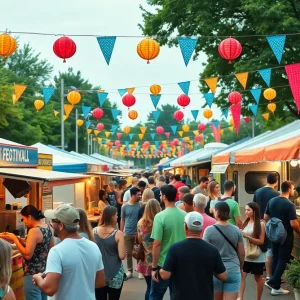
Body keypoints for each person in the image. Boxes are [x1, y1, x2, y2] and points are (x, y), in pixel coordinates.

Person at [33, 204, 105, 299]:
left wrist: (37, 278)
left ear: (61, 225)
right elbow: (100, 282)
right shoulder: (93, 246)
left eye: (52, 221)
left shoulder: (57, 251)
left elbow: (49, 289)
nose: (50, 224)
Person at [160, 212, 227, 300]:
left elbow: (165, 275)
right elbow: (223, 276)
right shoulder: (212, 249)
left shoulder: (175, 248)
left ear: (185, 227)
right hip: (205, 296)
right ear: (201, 228)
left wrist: (162, 269)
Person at [1, 205, 53, 300]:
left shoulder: (34, 231)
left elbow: (27, 255)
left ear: (29, 217)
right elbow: (46, 247)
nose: (24, 222)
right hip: (44, 273)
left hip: (32, 275)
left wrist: (14, 239)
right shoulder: (48, 227)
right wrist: (17, 238)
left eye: (23, 219)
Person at [150, 185, 187, 299]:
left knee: (155, 296)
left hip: (163, 263)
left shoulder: (160, 217)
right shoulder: (185, 215)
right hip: (181, 263)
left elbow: (157, 243)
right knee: (177, 296)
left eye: (161, 195)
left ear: (164, 197)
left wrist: (154, 267)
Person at [264, 181, 300, 296]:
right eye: (293, 188)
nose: (293, 190)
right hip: (286, 236)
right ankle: (274, 282)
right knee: (283, 260)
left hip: (274, 235)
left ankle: (276, 286)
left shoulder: (272, 201)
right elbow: (293, 224)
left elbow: (265, 217)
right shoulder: (290, 205)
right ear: (289, 189)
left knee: (275, 257)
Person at [203, 202, 245, 300]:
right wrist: (241, 267)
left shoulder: (209, 230)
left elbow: (205, 252)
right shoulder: (236, 230)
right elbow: (242, 253)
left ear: (216, 212)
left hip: (215, 271)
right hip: (233, 269)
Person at [94, 206, 126, 300]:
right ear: (112, 217)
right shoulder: (118, 234)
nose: (117, 217)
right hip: (115, 273)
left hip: (98, 272)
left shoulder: (93, 231)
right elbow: (122, 256)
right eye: (116, 215)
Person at [253, 172, 279, 279]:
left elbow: (253, 206)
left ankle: (261, 265)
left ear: (267, 180)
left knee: (260, 243)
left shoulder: (257, 191)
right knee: (269, 247)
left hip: (259, 221)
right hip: (271, 223)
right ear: (276, 181)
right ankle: (269, 271)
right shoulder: (276, 194)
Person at [239, 202, 266, 300]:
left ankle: (258, 299)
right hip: (245, 254)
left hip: (256, 255)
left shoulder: (261, 224)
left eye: (248, 210)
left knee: (258, 278)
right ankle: (240, 297)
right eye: (245, 209)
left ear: (254, 211)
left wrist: (247, 237)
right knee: (242, 275)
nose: (246, 212)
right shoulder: (245, 222)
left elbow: (261, 241)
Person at [136, 199, 162, 300]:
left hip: (145, 260)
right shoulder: (159, 222)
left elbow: (139, 239)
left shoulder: (140, 223)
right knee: (156, 290)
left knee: (149, 288)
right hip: (157, 260)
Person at [120, 187, 142, 279]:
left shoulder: (141, 205)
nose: (140, 196)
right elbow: (122, 219)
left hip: (138, 232)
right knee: (128, 253)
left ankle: (139, 270)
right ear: (132, 195)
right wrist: (121, 232)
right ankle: (130, 270)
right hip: (128, 232)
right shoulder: (124, 206)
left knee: (139, 252)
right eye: (138, 194)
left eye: (140, 194)